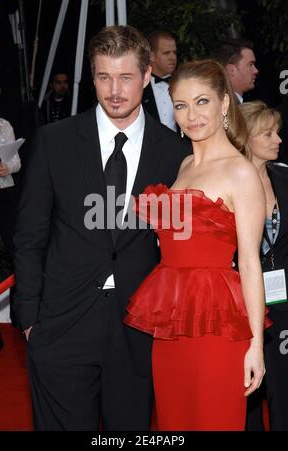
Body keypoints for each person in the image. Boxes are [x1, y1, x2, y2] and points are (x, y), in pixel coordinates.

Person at [13, 25, 189, 431]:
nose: (114, 90)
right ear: (91, 77)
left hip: (139, 329)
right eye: (104, 76)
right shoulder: (54, 142)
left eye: (126, 77)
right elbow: (29, 236)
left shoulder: (175, 154)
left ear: (147, 76)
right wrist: (29, 317)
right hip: (61, 323)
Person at [124, 59, 271, 431]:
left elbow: (251, 264)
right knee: (173, 421)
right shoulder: (185, 164)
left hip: (216, 329)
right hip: (172, 325)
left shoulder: (240, 171)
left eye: (202, 102)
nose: (191, 115)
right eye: (181, 105)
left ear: (224, 104)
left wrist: (255, 345)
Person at [240, 101, 288, 431]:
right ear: (246, 137)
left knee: (283, 391)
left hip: (283, 304)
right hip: (240, 306)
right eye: (268, 133)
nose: (278, 139)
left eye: (278, 132)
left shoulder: (284, 176)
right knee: (246, 397)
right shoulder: (227, 181)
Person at [0, 71, 21, 354]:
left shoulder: (5, 126)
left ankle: (25, 320)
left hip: (6, 193)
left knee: (19, 250)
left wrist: (5, 167)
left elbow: (17, 162)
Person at [142, 31, 177, 131]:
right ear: (152, 56)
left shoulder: (182, 84)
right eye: (166, 53)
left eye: (174, 52)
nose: (172, 57)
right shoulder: (140, 87)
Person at [212, 39, 259, 104]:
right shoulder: (226, 107)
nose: (256, 71)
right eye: (250, 64)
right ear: (232, 70)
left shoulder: (219, 102)